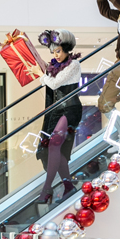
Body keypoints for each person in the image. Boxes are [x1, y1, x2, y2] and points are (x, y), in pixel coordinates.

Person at [34, 29, 83, 203]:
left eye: (59, 51)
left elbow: (53, 84)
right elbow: (50, 80)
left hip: (70, 109)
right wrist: (44, 75)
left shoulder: (74, 65)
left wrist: (43, 77)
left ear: (66, 49)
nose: (56, 55)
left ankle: (46, 190)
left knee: (54, 144)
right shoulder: (53, 66)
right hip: (56, 111)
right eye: (54, 52)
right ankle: (68, 186)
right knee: (56, 149)